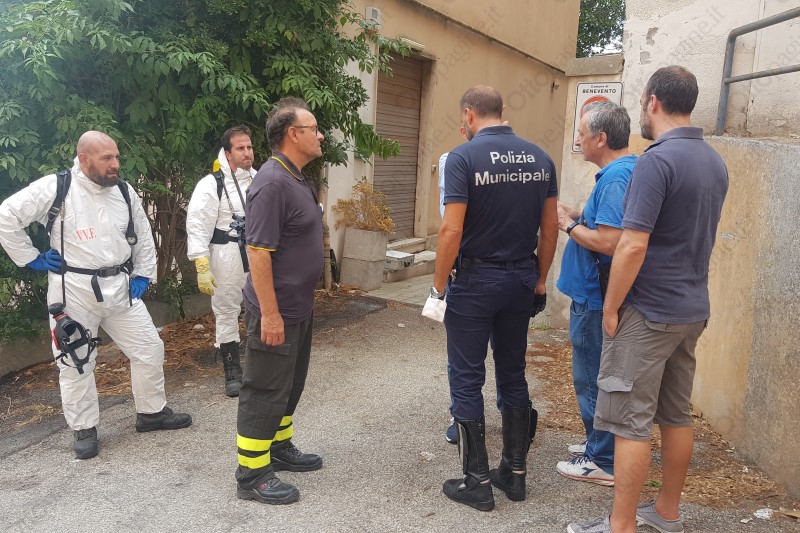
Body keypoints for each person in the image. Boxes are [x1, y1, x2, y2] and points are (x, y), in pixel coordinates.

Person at [568, 66, 728, 533]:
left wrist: (612, 307)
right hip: (691, 308)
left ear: (653, 101)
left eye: (642, 102)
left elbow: (631, 245)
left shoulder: (656, 161)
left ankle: (621, 526)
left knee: (628, 422)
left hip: (648, 311)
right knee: (675, 415)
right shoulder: (712, 160)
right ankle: (666, 513)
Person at [0, 131, 192, 460]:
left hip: (120, 287)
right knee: (75, 361)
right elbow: (6, 214)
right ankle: (84, 428)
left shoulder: (123, 191)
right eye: (107, 158)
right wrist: (30, 257)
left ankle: (151, 412)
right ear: (85, 159)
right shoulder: (57, 188)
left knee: (149, 348)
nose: (115, 164)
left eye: (116, 157)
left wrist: (143, 273)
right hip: (73, 291)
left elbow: (143, 233)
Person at [432, 85, 558, 511]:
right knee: (513, 373)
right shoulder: (540, 158)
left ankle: (477, 481)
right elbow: (550, 228)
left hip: (475, 280)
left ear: (469, 114)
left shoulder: (462, 158)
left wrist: (438, 285)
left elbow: (451, 229)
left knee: (467, 377)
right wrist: (540, 279)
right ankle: (514, 474)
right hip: (521, 277)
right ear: (502, 111)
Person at [235, 98, 325, 505]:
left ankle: (279, 446)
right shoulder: (272, 183)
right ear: (293, 134)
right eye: (314, 128)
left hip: (297, 307)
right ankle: (252, 473)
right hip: (277, 311)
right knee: (265, 388)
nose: (320, 135)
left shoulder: (296, 178)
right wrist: (270, 314)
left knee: (290, 384)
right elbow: (258, 252)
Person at [555, 101, 636, 487]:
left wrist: (567, 226)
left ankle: (602, 458)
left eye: (582, 134)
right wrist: (578, 215)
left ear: (601, 138)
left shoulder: (617, 177)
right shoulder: (622, 171)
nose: (578, 140)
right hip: (593, 293)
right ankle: (597, 442)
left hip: (593, 296)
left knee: (590, 377)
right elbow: (607, 226)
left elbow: (610, 242)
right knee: (595, 374)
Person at [186, 126, 255, 397]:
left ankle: (260, 365)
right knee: (226, 311)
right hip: (226, 255)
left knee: (261, 308)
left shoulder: (260, 179)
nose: (247, 152)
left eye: (249, 147)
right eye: (240, 148)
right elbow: (197, 225)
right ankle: (232, 370)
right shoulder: (210, 184)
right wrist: (202, 266)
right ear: (228, 153)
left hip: (257, 253)